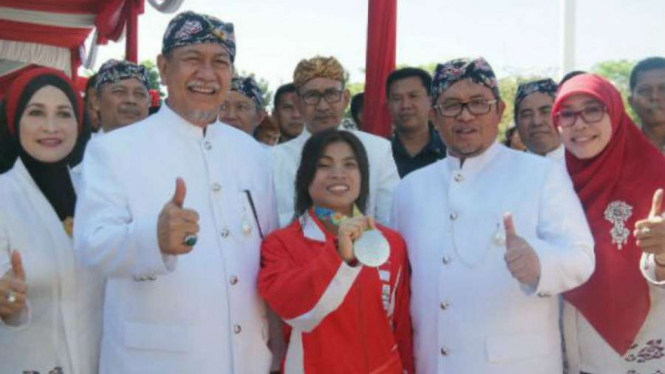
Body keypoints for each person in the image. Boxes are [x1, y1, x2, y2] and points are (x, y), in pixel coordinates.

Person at [74, 11, 278, 373]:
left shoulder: (254, 155)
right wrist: (151, 238)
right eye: (192, 59)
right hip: (154, 362)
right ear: (164, 67)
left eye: (220, 62)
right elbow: (92, 246)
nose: (207, 73)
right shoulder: (115, 150)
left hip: (246, 359)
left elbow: (268, 255)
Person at [391, 57, 595, 374]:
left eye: (478, 103)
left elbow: (582, 258)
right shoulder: (409, 190)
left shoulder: (540, 175)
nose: (465, 115)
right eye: (451, 105)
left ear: (498, 111)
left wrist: (539, 263)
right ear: (434, 115)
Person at [259, 129, 414, 373]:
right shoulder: (280, 244)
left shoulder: (390, 243)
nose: (338, 174)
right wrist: (340, 257)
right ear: (305, 176)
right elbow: (293, 309)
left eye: (350, 165)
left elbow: (402, 326)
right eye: (324, 165)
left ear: (362, 175)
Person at [554, 73, 665, 373]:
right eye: (567, 113)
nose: (579, 123)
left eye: (592, 109)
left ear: (615, 113)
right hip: (568, 354)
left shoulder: (657, 175)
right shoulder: (549, 181)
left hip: (645, 353)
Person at [0, 67, 103, 374]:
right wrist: (9, 307)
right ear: (15, 120)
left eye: (63, 114)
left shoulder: (96, 192)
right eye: (35, 113)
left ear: (78, 122)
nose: (50, 127)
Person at [273, 56, 399, 228]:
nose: (323, 106)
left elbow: (391, 221)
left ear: (345, 98)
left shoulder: (377, 149)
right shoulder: (272, 160)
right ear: (297, 102)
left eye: (331, 94)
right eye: (312, 95)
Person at [387, 67, 446, 177]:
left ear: (430, 100)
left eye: (413, 96)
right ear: (388, 105)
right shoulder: (379, 153)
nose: (405, 105)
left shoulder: (451, 151)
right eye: (397, 98)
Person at [92, 59, 151, 134]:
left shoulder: (164, 144)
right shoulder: (88, 145)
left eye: (140, 94)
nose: (131, 100)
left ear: (149, 101)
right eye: (119, 92)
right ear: (96, 101)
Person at [514, 79, 563, 161]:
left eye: (546, 112)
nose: (537, 122)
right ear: (516, 122)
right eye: (527, 115)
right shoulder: (502, 170)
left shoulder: (586, 167)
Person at [629, 56, 665, 152]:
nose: (654, 96)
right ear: (631, 102)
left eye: (663, 89)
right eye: (645, 90)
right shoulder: (619, 150)